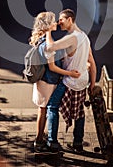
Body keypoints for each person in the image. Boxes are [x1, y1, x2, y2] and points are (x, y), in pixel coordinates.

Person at [46, 8, 97, 153]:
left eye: (61, 19)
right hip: (83, 81)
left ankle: (52, 142)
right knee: (79, 113)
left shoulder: (72, 37)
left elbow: (50, 46)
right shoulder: (85, 37)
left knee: (52, 106)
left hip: (70, 80)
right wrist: (92, 84)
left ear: (70, 20)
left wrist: (48, 30)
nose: (59, 22)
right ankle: (78, 143)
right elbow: (92, 63)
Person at [29, 11, 80, 152]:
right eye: (53, 21)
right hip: (48, 82)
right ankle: (39, 141)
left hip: (42, 81)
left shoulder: (41, 39)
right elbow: (52, 67)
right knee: (43, 111)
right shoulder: (46, 44)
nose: (56, 23)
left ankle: (40, 139)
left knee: (42, 110)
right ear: (47, 25)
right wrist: (70, 73)